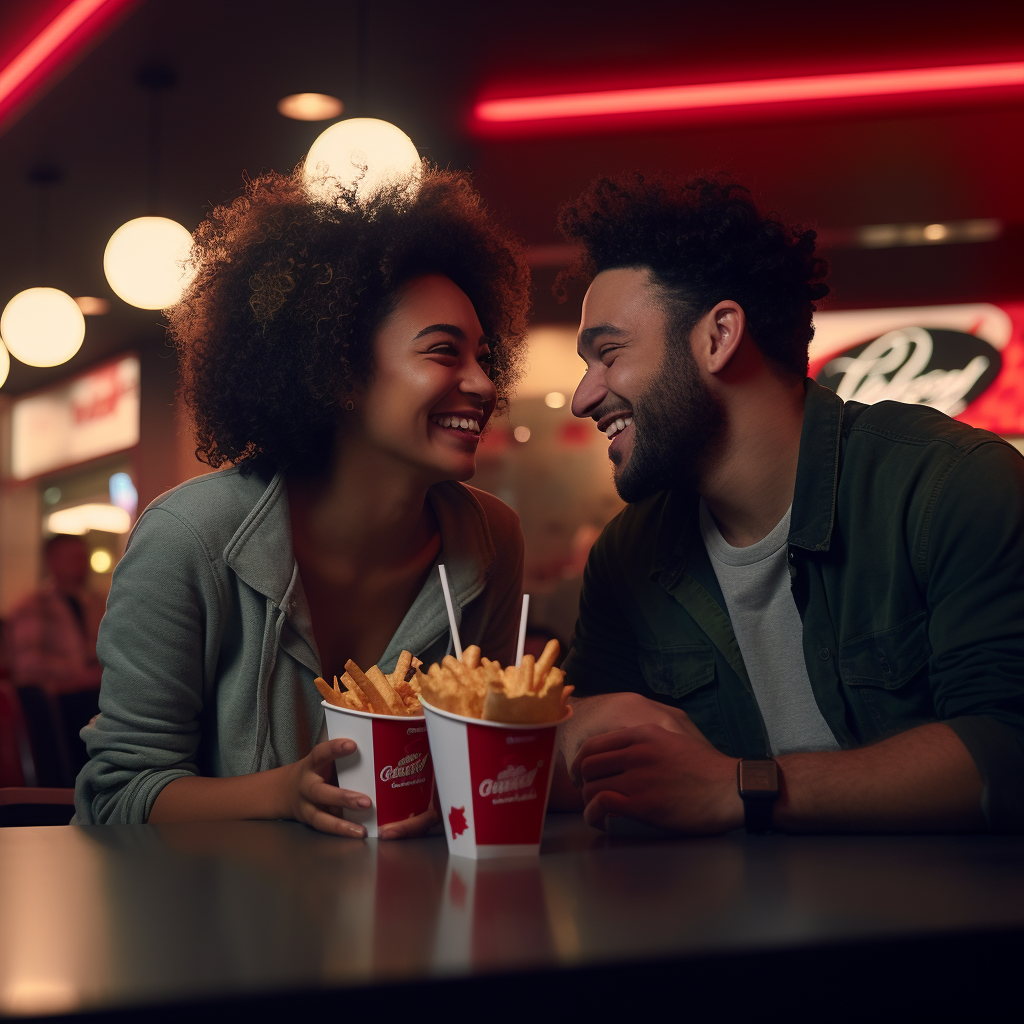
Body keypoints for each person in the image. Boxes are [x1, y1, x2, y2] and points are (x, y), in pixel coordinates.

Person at [555, 173, 1024, 835]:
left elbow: (1008, 745)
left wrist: (742, 788)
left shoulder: (952, 488)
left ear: (719, 336)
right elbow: (583, 750)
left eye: (608, 354)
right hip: (725, 930)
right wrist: (568, 734)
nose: (583, 396)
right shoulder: (628, 556)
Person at [75, 166, 531, 837]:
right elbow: (115, 796)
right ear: (339, 370)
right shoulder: (188, 539)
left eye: (486, 360)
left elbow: (484, 762)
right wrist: (283, 793)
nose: (483, 385)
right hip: (221, 929)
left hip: (417, 923)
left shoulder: (491, 539)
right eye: (443, 353)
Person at [7, 534, 104, 692]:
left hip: (93, 693)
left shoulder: (96, 603)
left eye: (84, 558)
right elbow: (27, 665)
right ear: (52, 561)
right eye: (73, 558)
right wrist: (80, 674)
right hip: (57, 701)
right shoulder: (32, 606)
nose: (82, 564)